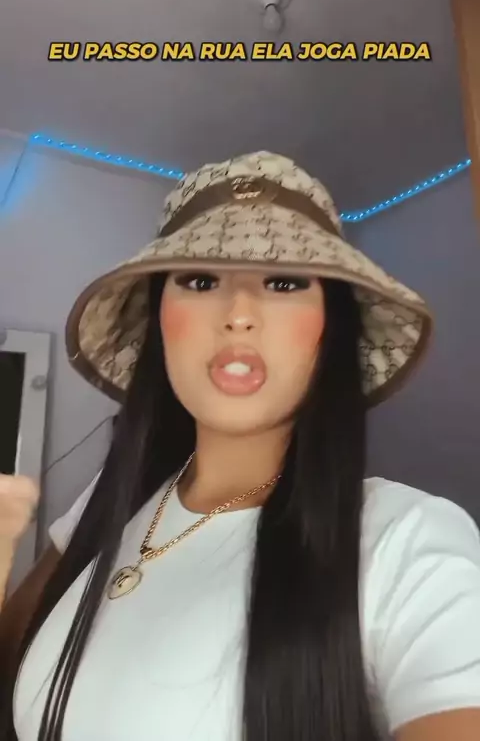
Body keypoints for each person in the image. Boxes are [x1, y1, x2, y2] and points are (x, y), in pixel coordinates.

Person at [0, 151, 479, 741]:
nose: (239, 314)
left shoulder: (407, 540)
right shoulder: (106, 503)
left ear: (332, 327)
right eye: (200, 280)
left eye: (285, 282)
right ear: (159, 321)